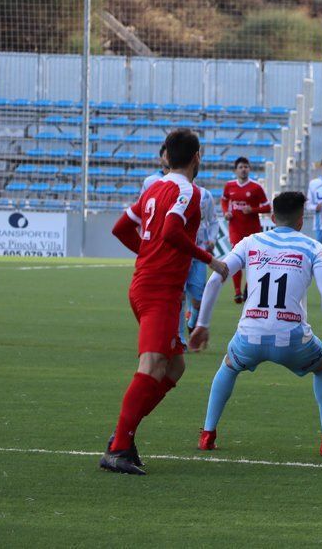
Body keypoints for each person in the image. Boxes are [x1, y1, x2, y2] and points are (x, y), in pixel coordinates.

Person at [102, 128, 228, 475]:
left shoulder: (154, 187)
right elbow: (172, 230)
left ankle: (122, 434)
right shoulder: (188, 190)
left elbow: (120, 228)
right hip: (157, 289)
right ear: (197, 157)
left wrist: (147, 252)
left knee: (175, 367)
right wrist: (209, 259)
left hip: (155, 286)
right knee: (153, 366)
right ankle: (119, 447)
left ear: (165, 157)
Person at [190, 191, 322, 457]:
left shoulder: (250, 242)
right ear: (301, 220)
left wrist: (202, 324)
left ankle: (207, 435)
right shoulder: (313, 247)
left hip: (250, 336)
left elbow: (215, 279)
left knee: (229, 367)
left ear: (272, 217)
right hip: (293, 339)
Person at [221, 157, 271, 304]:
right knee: (236, 258)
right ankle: (237, 291)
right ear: (236, 170)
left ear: (249, 169)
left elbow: (268, 207)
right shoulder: (229, 186)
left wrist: (253, 209)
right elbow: (224, 200)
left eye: (246, 167)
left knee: (252, 261)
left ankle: (248, 288)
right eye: (241, 167)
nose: (244, 169)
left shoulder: (256, 188)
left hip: (253, 230)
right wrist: (226, 212)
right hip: (235, 228)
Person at [182, 178, 219, 339]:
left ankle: (191, 324)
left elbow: (213, 221)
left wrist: (212, 238)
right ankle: (179, 338)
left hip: (199, 253)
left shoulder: (205, 195)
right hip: (180, 254)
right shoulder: (175, 191)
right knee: (179, 298)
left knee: (198, 300)